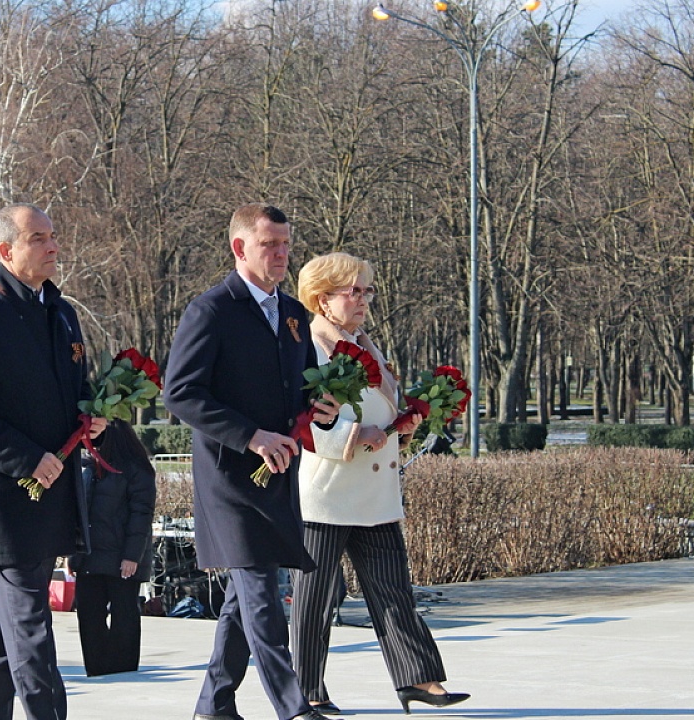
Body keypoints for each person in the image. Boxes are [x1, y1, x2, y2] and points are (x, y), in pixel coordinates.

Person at [163, 203, 336, 720]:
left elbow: (304, 394)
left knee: (245, 600)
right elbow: (181, 393)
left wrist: (321, 412)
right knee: (261, 592)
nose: (282, 254)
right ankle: (293, 707)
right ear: (241, 248)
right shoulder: (211, 310)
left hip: (276, 475)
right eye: (270, 245)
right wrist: (249, 435)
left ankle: (213, 704)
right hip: (229, 480)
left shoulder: (293, 315)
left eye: (286, 244)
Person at [0, 202, 104, 720]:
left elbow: (76, 391)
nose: (53, 246)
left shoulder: (62, 313)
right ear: (6, 251)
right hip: (5, 506)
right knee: (30, 630)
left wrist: (93, 416)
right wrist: (27, 459)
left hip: (50, 500)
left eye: (53, 235)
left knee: (1, 640)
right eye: (39, 238)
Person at [288, 252, 468, 715]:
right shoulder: (311, 346)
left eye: (368, 290)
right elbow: (306, 421)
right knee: (314, 601)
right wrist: (352, 434)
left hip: (374, 494)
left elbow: (377, 405)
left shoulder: (363, 342)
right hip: (326, 495)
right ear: (323, 299)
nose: (365, 299)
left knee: (393, 589)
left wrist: (404, 420)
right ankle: (306, 690)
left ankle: (418, 679)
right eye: (355, 291)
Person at [70, 421, 155, 677]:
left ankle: (123, 668)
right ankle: (96, 668)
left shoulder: (136, 470)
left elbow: (141, 515)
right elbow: (78, 514)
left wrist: (132, 556)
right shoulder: (86, 469)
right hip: (90, 558)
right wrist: (74, 554)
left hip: (121, 557)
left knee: (124, 615)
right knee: (88, 616)